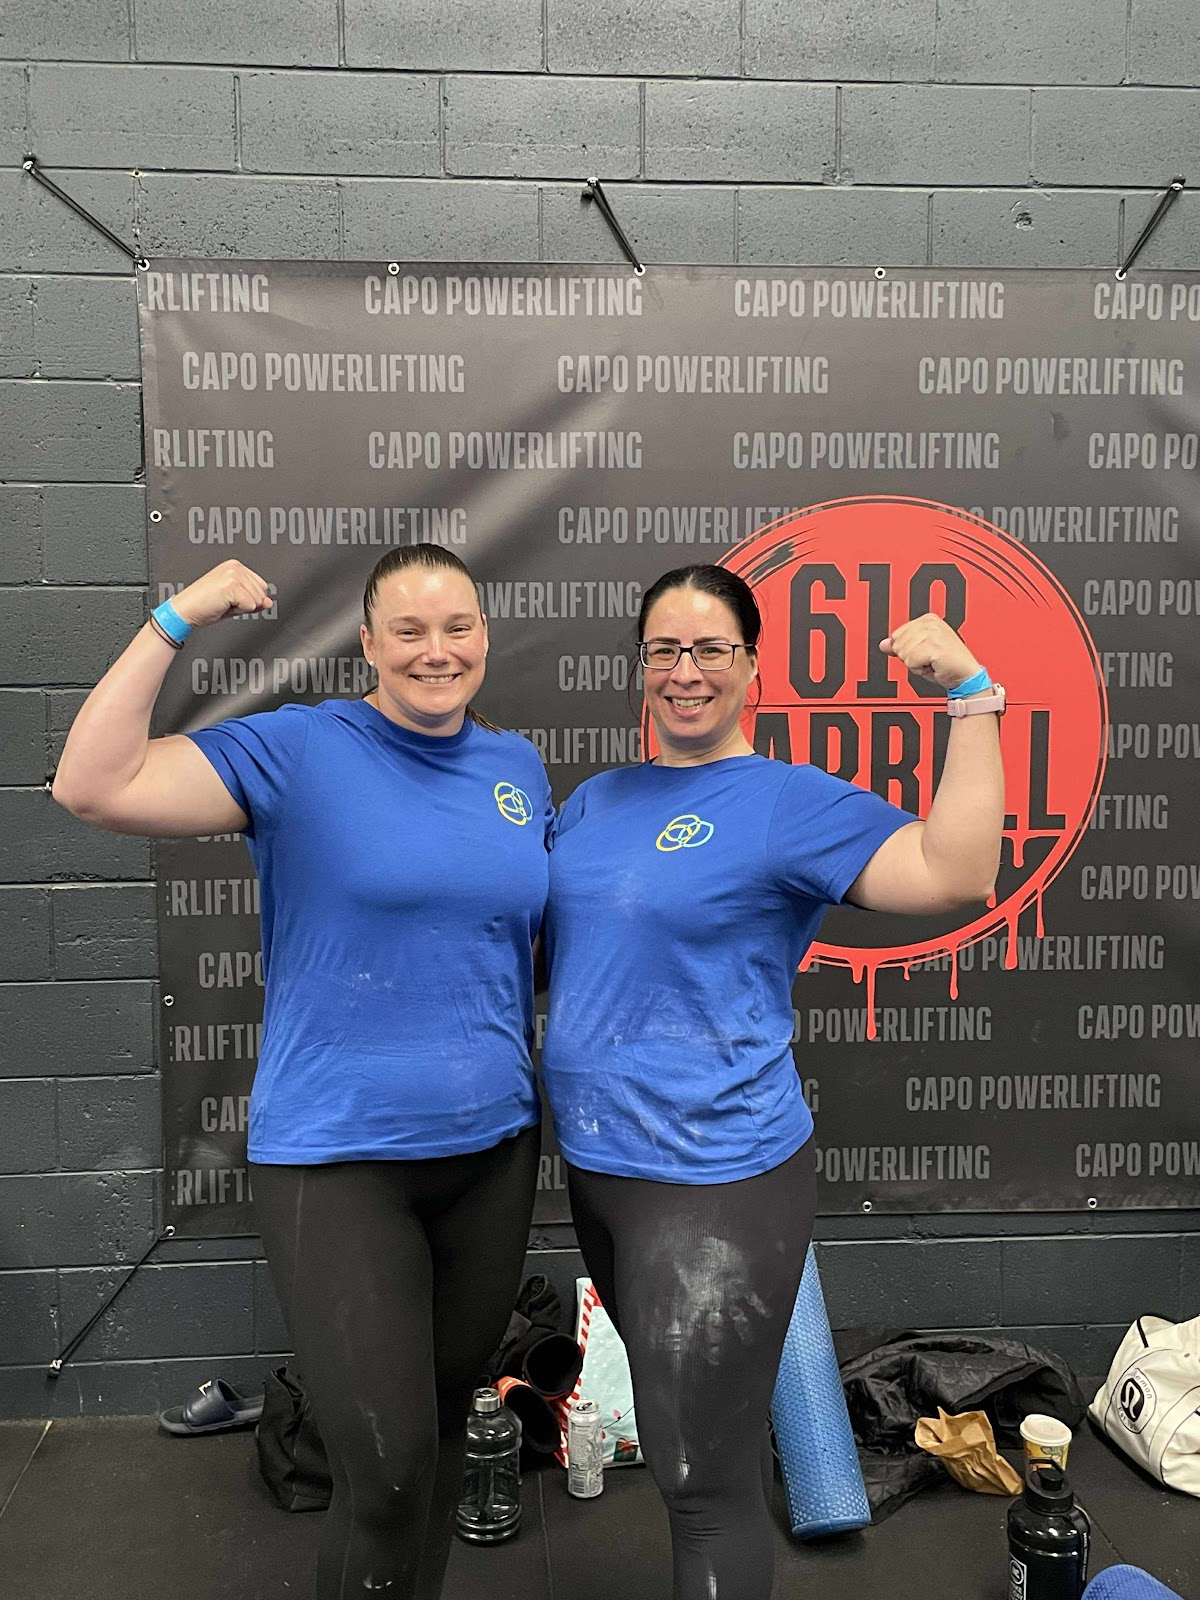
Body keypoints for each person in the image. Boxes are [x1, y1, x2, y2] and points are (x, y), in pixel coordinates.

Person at [53, 546, 553, 1600]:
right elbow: (91, 784)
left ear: (485, 636)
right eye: (407, 631)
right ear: (366, 644)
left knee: (441, 1455)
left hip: (494, 1152)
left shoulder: (517, 769)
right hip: (337, 1163)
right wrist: (178, 617)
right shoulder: (298, 751)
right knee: (384, 1472)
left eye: (456, 626)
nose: (436, 650)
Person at [543, 563, 1005, 1600]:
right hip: (602, 1171)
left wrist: (971, 696)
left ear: (752, 667)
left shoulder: (786, 802)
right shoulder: (595, 800)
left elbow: (955, 869)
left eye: (712, 648)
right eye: (665, 648)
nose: (686, 669)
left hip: (718, 1179)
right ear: (640, 667)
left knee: (699, 1480)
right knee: (696, 1448)